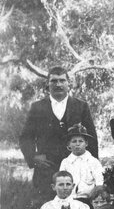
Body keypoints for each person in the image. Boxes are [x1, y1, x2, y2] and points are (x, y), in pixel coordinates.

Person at [19, 66, 99, 195]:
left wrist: (93, 167)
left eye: (62, 80)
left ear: (69, 83)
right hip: (46, 168)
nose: (58, 84)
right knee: (48, 207)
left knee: (78, 206)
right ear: (47, 84)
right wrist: (33, 157)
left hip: (76, 165)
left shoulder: (81, 106)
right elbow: (25, 137)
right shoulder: (37, 107)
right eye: (54, 81)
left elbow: (91, 138)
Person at [59, 124, 103, 208]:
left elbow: (99, 183)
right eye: (74, 141)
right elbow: (61, 182)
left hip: (88, 200)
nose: (77, 144)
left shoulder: (93, 162)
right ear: (69, 144)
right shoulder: (65, 162)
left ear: (86, 143)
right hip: (69, 200)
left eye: (80, 141)